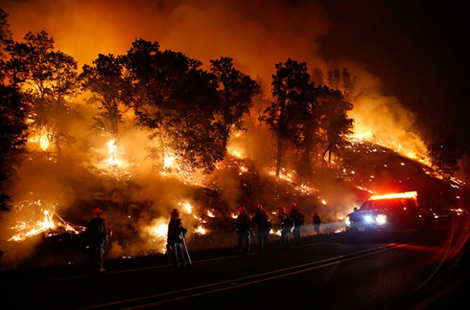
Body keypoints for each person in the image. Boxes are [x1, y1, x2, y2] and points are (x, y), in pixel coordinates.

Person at [86, 207, 109, 272]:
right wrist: (106, 239)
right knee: (100, 253)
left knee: (92, 253)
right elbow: (106, 231)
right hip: (100, 239)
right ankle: (100, 267)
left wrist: (88, 240)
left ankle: (92, 267)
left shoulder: (91, 221)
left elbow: (88, 231)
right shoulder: (103, 221)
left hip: (93, 239)